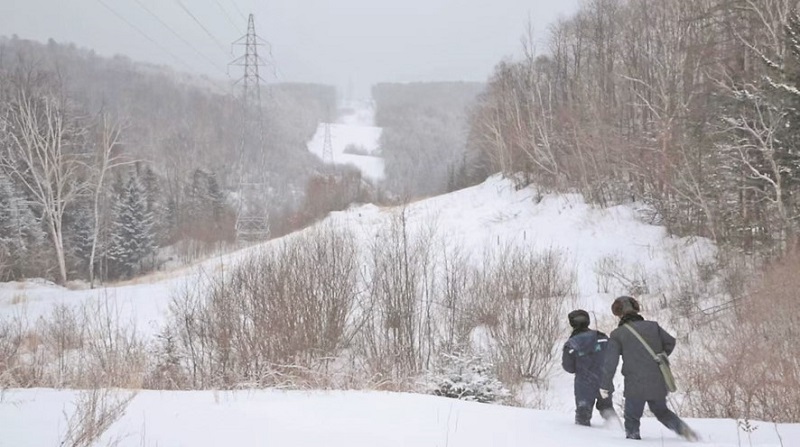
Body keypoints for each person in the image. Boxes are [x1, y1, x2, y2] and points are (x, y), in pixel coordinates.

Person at [600, 296, 698, 441]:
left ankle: (633, 441)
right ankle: (684, 431)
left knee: (632, 417)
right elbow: (670, 342)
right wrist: (660, 356)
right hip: (657, 379)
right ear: (635, 309)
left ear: (619, 313)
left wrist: (605, 385)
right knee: (661, 411)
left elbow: (610, 363)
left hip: (635, 383)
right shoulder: (654, 326)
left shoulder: (617, 334)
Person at [562, 309, 618, 426]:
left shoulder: (571, 344)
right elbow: (612, 357)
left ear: (572, 323)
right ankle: (617, 432)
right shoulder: (603, 338)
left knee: (583, 416)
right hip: (605, 382)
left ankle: (586, 440)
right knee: (607, 408)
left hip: (584, 385)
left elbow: (569, 367)